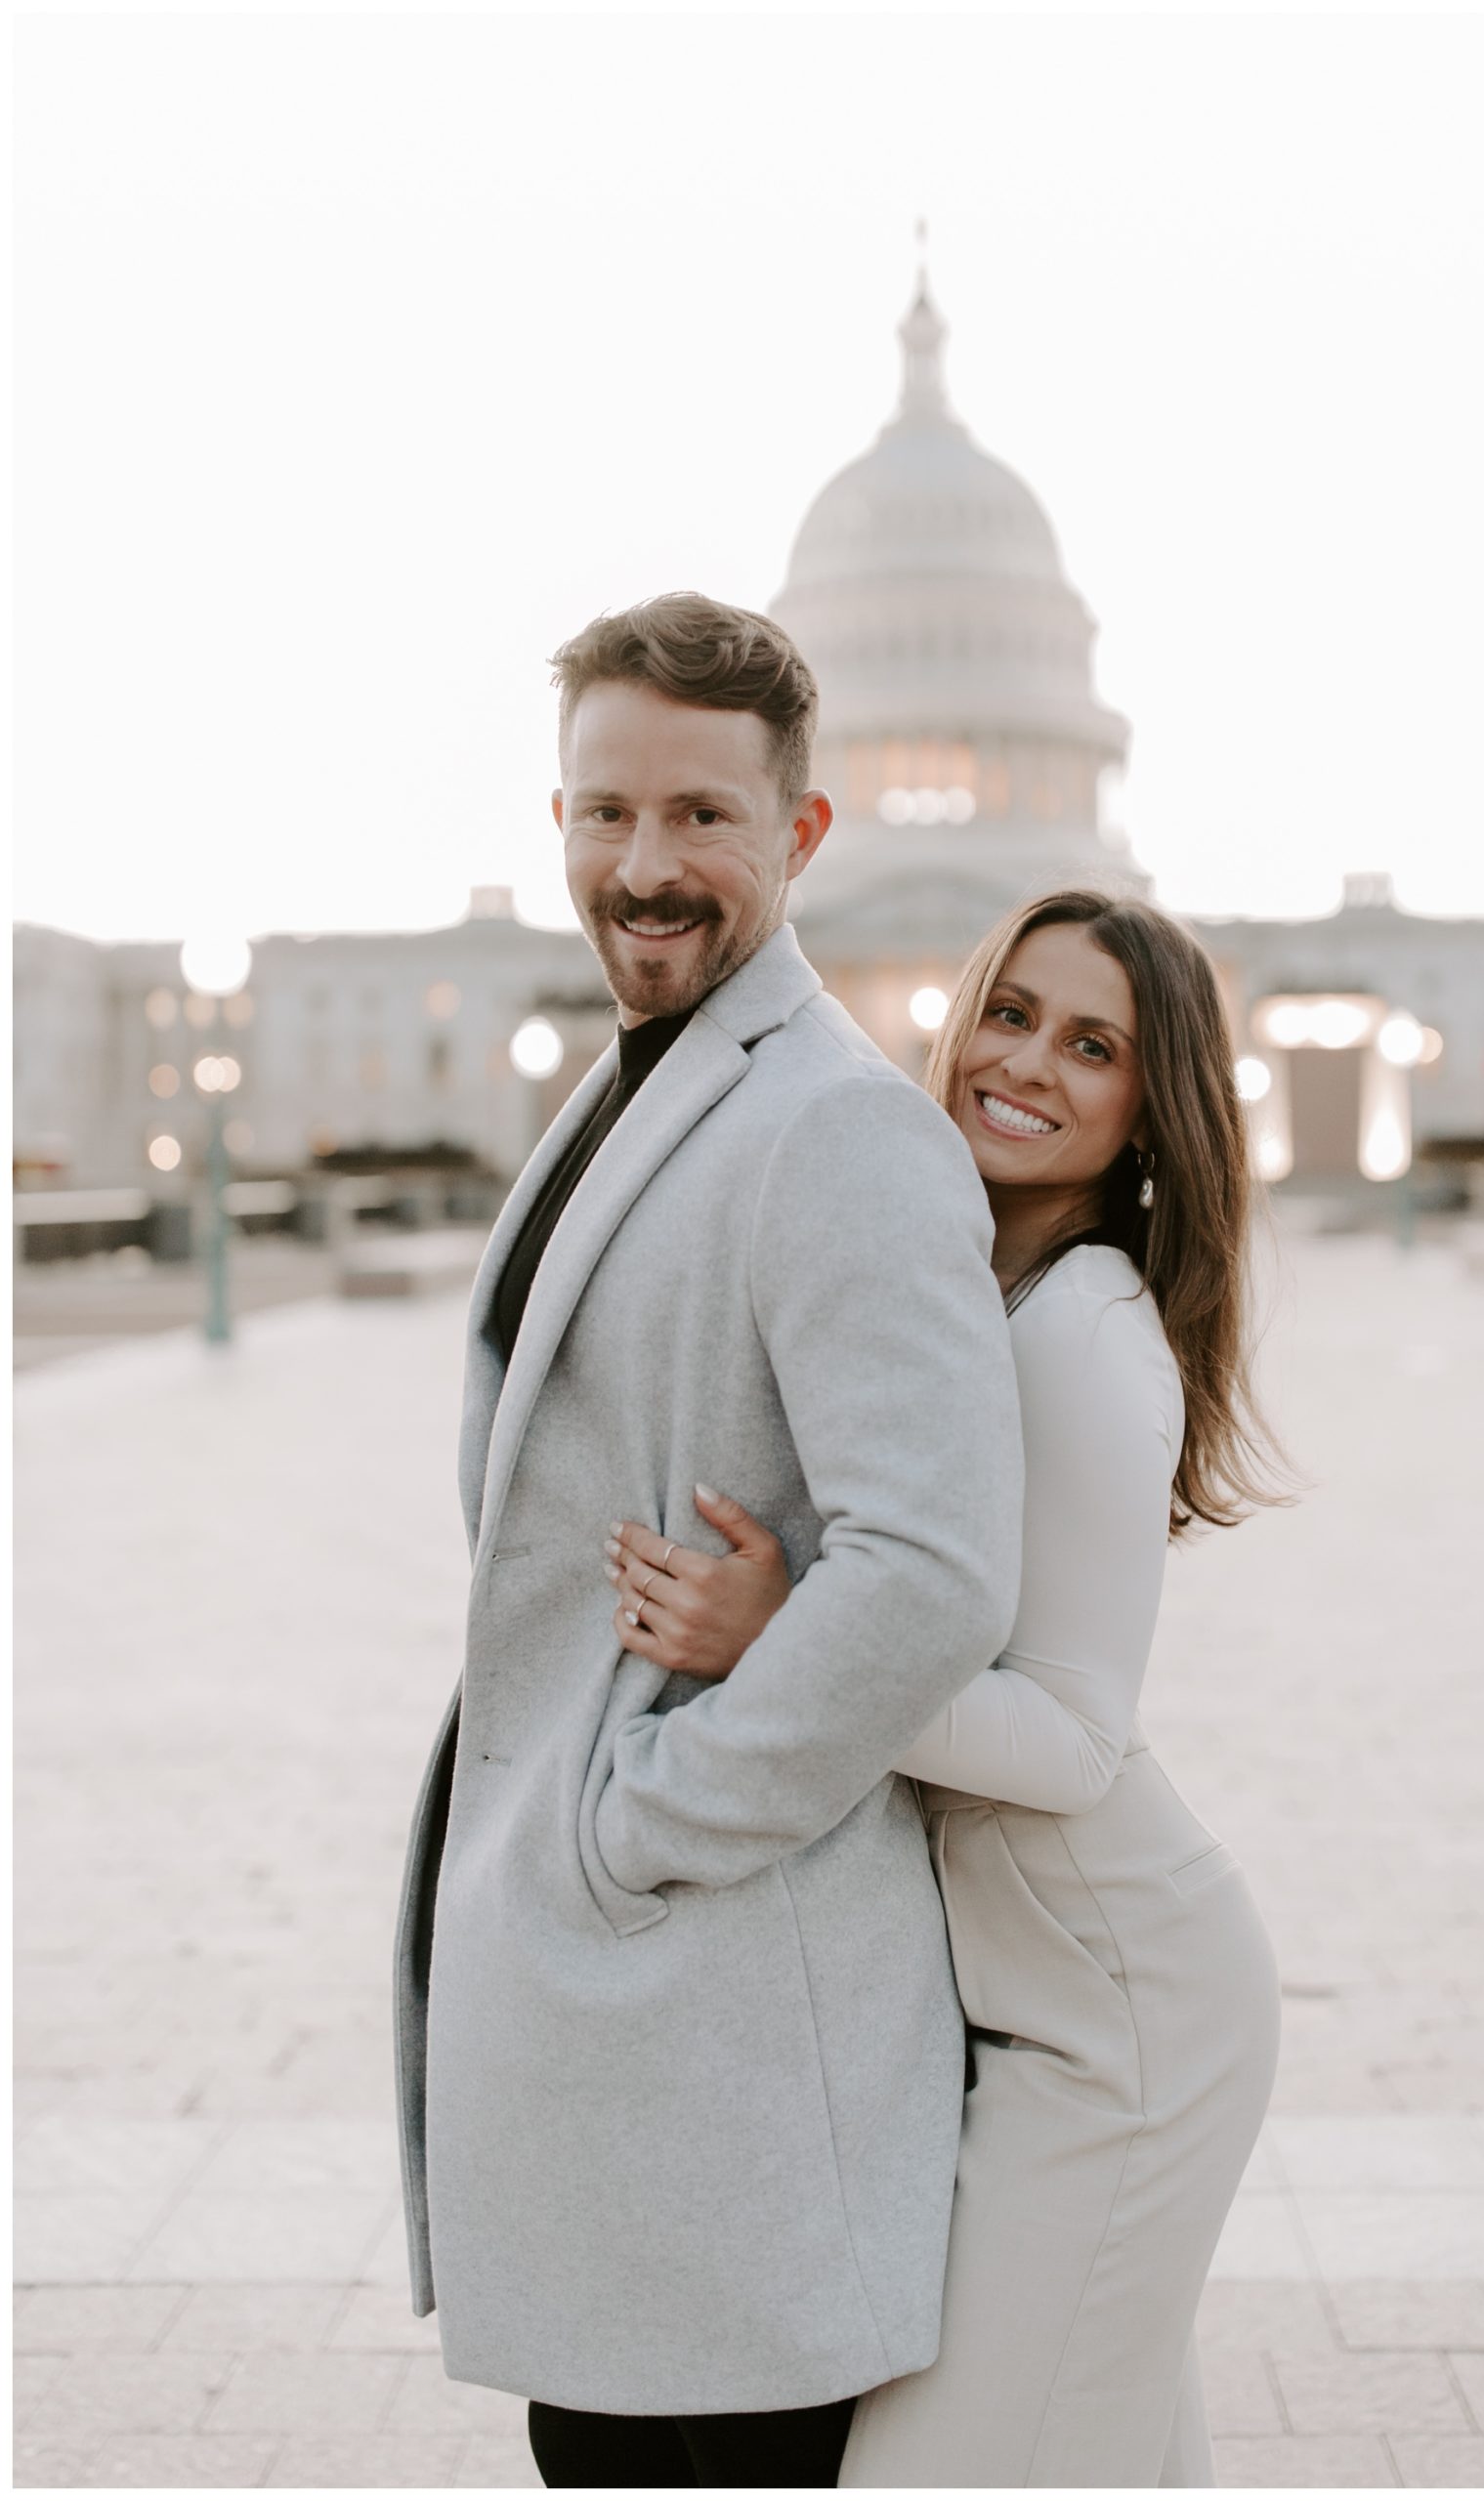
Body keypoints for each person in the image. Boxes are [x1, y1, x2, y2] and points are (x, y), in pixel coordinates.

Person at [391, 592, 1026, 2490]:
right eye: (606, 811)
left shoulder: (838, 1127)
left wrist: (639, 1821)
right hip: (621, 2038)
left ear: (801, 831)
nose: (644, 864)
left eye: (700, 815)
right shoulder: (633, 1089)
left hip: (716, 2017)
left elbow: (932, 1570)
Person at [606, 889, 1287, 2488]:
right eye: (1012, 1013)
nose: (1028, 1064)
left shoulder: (1084, 1337)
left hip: (1122, 2024)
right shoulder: (976, 1293)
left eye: (1095, 1047)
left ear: (1153, 1113)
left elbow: (1072, 1740)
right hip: (1031, 2011)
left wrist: (790, 1640)